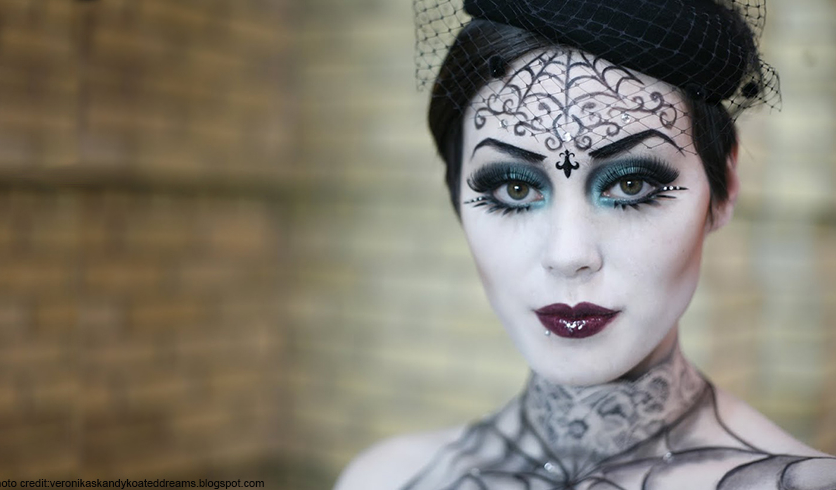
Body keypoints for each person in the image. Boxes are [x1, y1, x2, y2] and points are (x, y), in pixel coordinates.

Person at [335, 0, 836, 488]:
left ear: (722, 188)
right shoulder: (385, 479)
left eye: (631, 185)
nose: (569, 255)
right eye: (516, 189)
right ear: (457, 200)